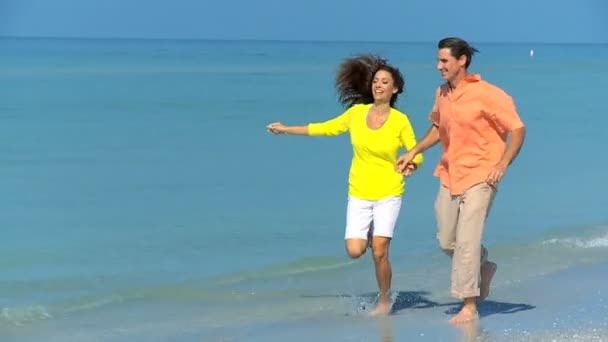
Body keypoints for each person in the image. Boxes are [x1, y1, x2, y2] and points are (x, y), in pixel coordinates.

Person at [267, 55, 423, 316]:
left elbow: (416, 151)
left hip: (389, 191)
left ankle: (385, 300)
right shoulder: (356, 114)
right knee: (354, 250)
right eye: (375, 81)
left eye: (385, 82)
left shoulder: (400, 120)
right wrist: (286, 129)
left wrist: (412, 164)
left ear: (395, 89)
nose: (379, 86)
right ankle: (372, 236)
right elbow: (325, 128)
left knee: (380, 251)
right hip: (359, 192)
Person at [396, 37, 526, 324]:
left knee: (467, 241)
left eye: (444, 60)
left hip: (482, 174)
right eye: (439, 60)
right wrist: (413, 151)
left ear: (462, 60)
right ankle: (484, 265)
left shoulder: (488, 94)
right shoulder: (442, 93)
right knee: (447, 240)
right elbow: (438, 128)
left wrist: (502, 164)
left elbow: (517, 129)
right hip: (450, 173)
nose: (438, 66)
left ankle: (469, 305)